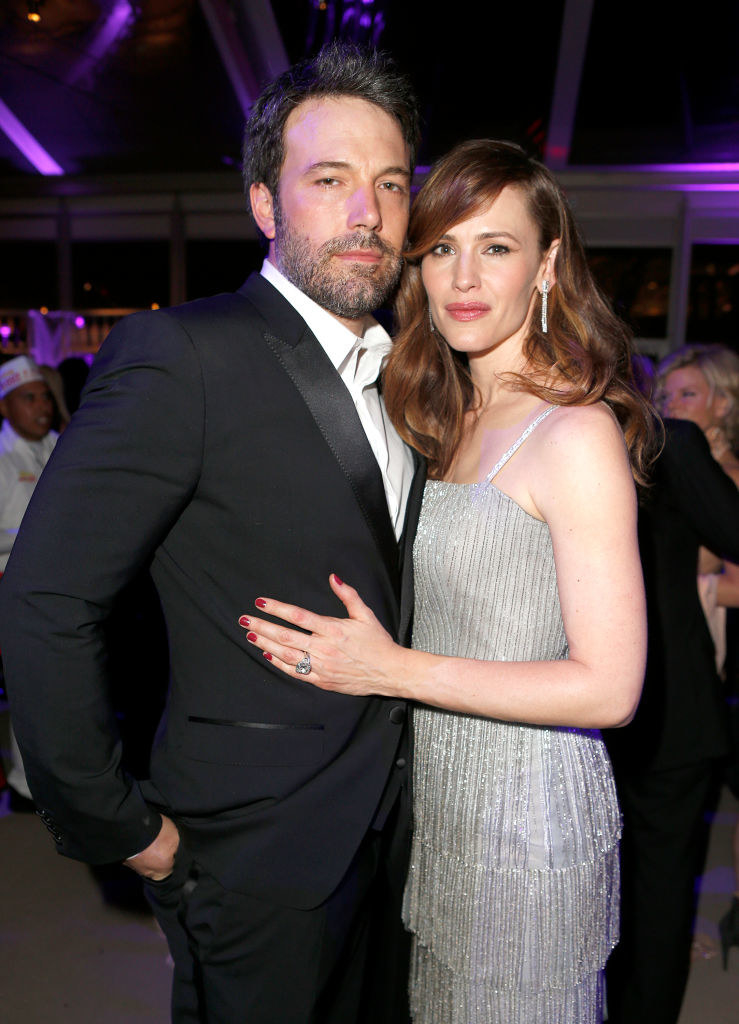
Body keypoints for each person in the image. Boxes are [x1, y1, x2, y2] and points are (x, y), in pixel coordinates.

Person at [0, 42, 424, 1024]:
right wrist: (116, 821)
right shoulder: (181, 354)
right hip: (252, 845)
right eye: (330, 180)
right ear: (267, 206)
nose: (367, 211)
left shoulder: (410, 369)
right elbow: (45, 600)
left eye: (390, 183)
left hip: (395, 829)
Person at [240, 139, 654, 1022]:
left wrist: (387, 668)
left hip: (527, 823)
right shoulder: (450, 413)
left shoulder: (572, 434)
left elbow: (611, 688)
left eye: (495, 248)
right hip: (442, 810)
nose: (463, 277)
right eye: (440, 249)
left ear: (545, 264)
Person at [653, 343, 739, 979]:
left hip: (710, 658)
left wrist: (704, 580)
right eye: (666, 393)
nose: (670, 404)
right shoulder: (658, 456)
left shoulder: (712, 467)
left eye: (687, 393)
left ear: (722, 401)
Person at [0, 355, 58, 812]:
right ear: (5, 407)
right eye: (29, 398)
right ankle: (22, 788)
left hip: (57, 597)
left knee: (53, 694)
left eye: (45, 397)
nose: (42, 407)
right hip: (10, 596)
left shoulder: (60, 444)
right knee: (25, 694)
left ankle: (43, 784)